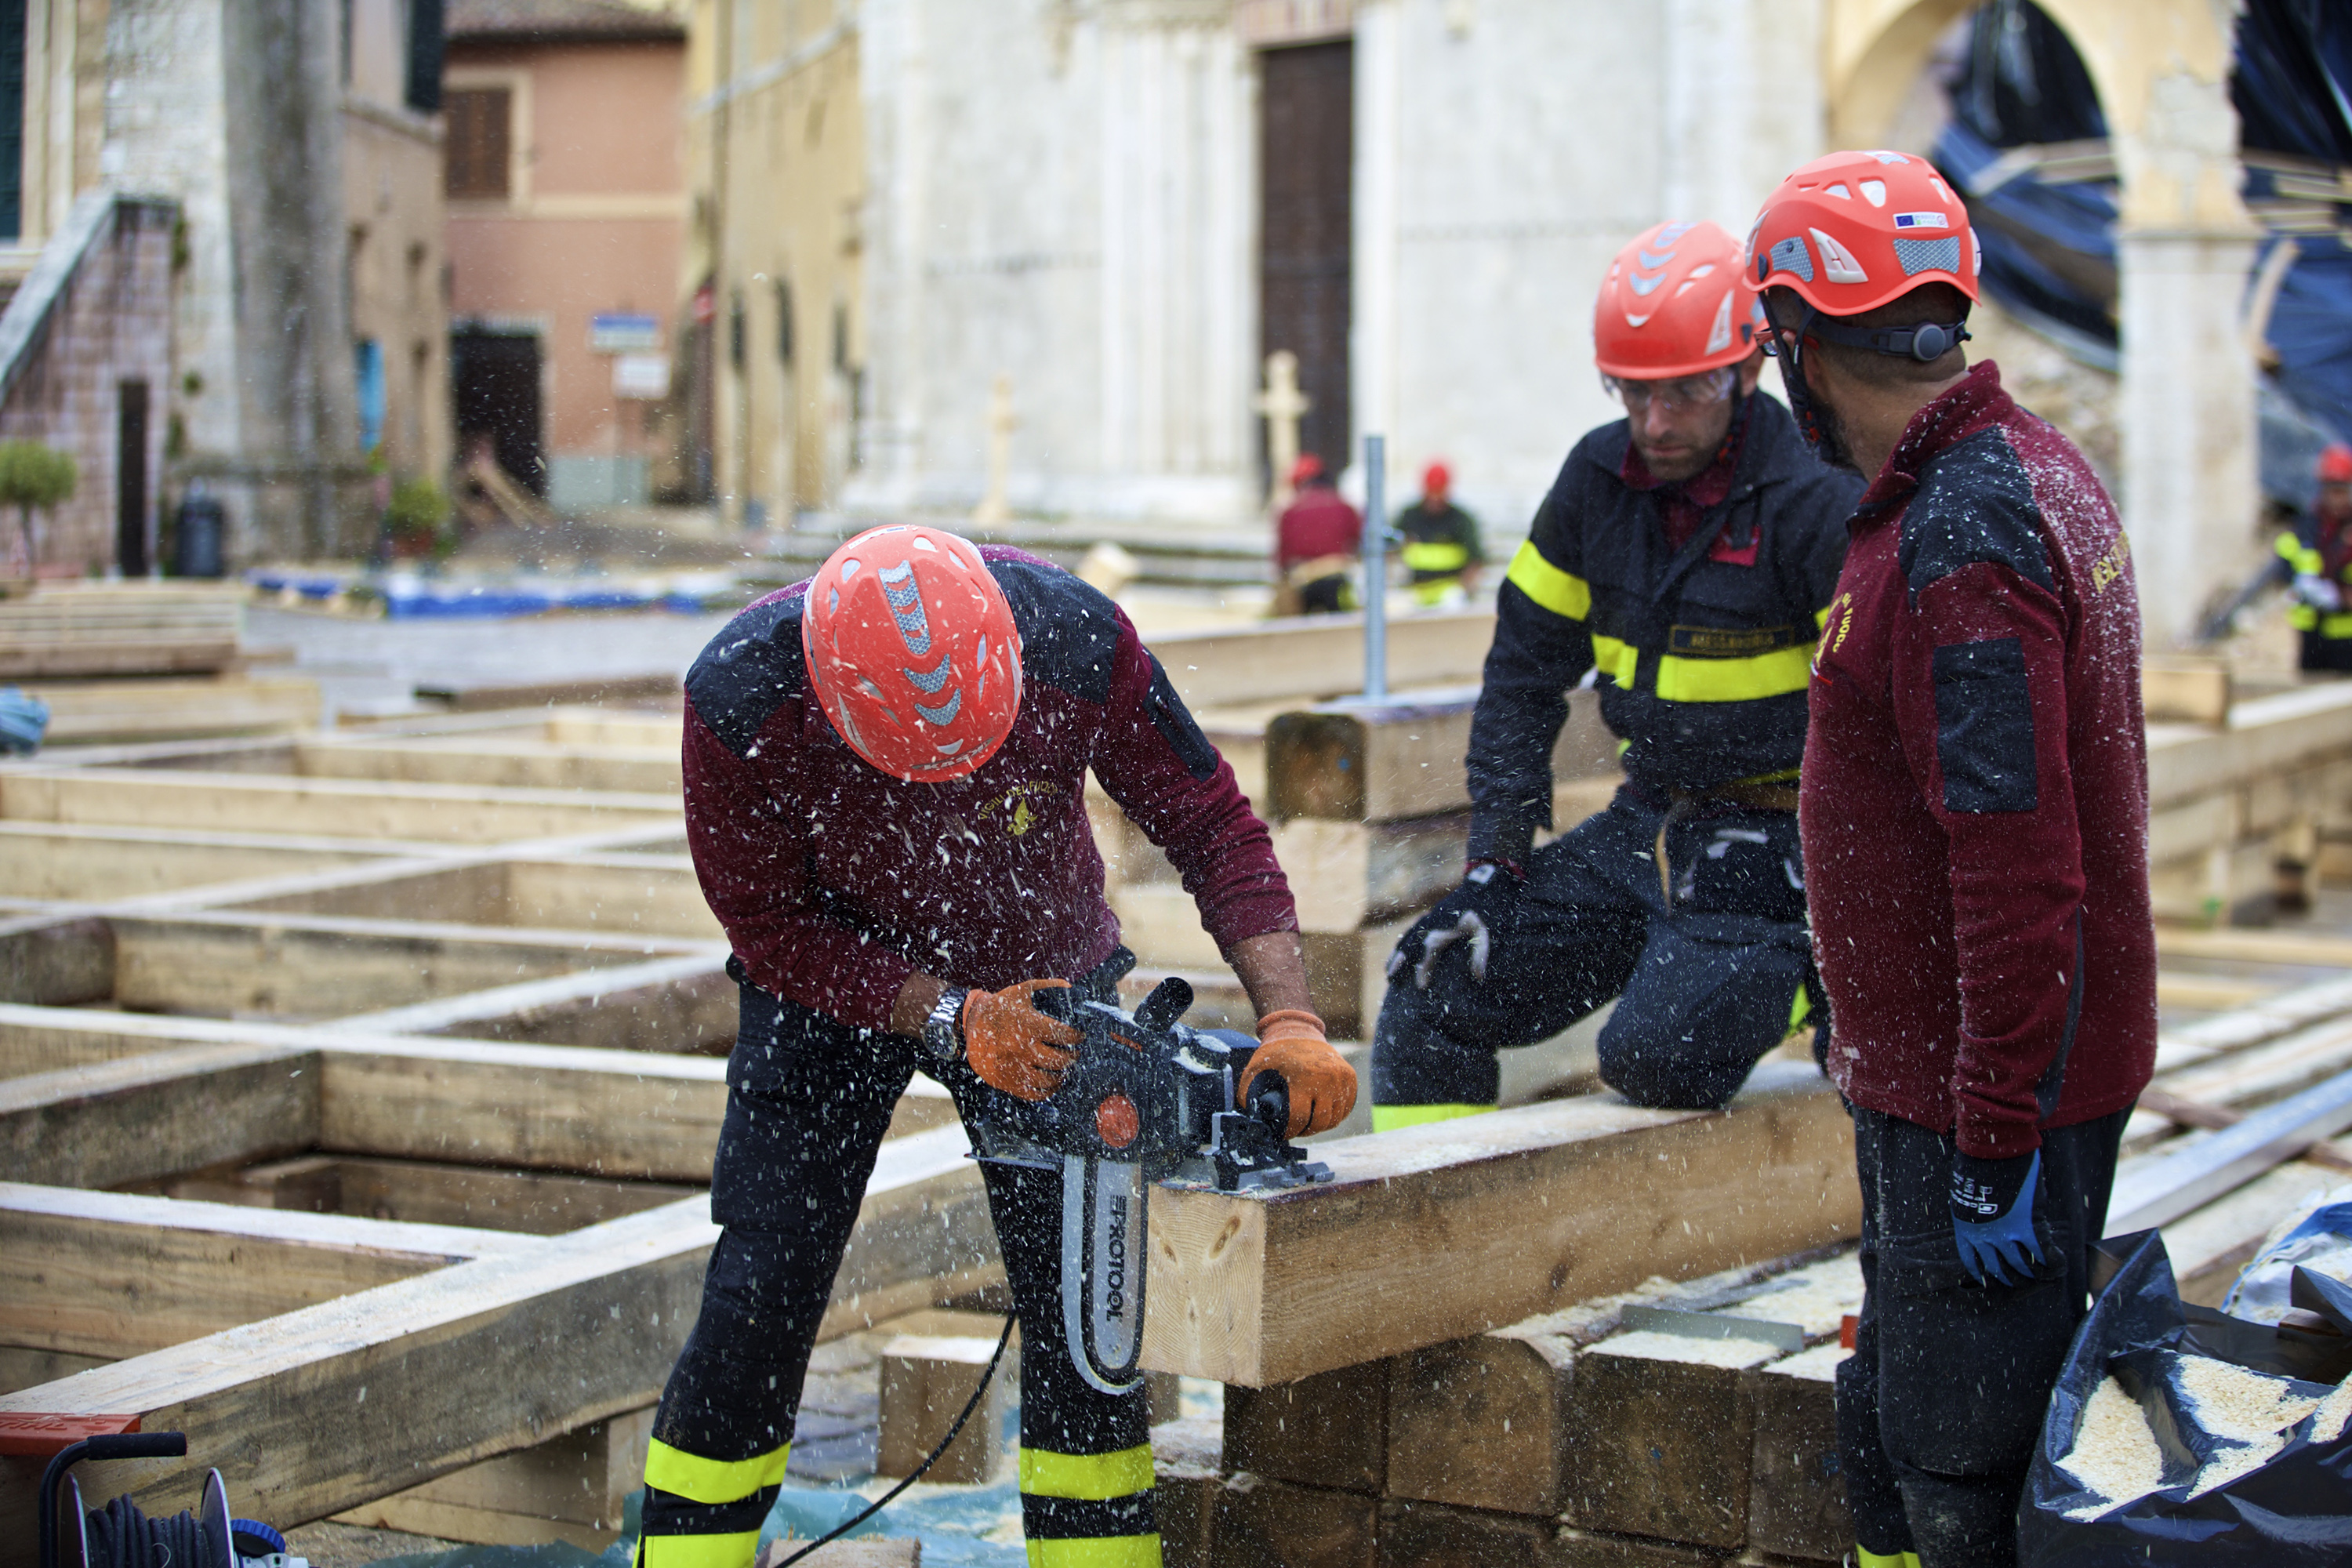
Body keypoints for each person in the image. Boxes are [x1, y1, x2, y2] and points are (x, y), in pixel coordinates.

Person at [638, 524, 1357, 1568]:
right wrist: (944, 1011)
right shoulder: (746, 697)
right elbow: (766, 924)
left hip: (1045, 962)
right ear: (836, 700)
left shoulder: (1073, 640)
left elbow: (1209, 822)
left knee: (1087, 1324)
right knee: (761, 1297)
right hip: (829, 981)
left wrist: (1290, 1018)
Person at [1751, 151, 2156, 1567]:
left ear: (1799, 348)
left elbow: (2017, 864)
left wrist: (1992, 1140)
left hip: (1986, 1107)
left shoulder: (1960, 536)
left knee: (1961, 1473)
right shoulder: (2019, 465)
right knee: (1895, 1427)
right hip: (1972, 1078)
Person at [1370, 220, 1861, 1131]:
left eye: (1684, 394)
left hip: (1785, 838)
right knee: (1432, 980)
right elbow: (1522, 677)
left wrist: (1841, 879)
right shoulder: (1596, 479)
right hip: (1653, 819)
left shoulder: (1816, 499)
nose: (1656, 424)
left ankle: (1797, 974)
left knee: (1655, 1058)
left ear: (1747, 371)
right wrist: (1493, 864)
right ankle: (1427, 1223)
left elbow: (1882, 719)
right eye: (1634, 395)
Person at [2278, 441, 2352, 672]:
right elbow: (2285, 555)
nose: (2335, 497)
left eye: (2341, 490)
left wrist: (2339, 594)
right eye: (2331, 489)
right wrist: (2301, 582)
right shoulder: (2309, 525)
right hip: (2312, 635)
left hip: (2346, 638)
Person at [1274, 452, 1361, 615]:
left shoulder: (1291, 510)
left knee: (1305, 631)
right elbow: (1357, 539)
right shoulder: (1344, 506)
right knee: (1339, 627)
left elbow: (1283, 553)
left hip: (1303, 580)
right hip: (1336, 579)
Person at [1396, 460, 1486, 607]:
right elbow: (1390, 550)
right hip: (1415, 590)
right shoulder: (1409, 517)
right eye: (1432, 491)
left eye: (1439, 491)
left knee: (1454, 604)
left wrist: (1464, 587)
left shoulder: (1461, 520)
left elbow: (1475, 560)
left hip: (1449, 591)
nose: (1435, 498)